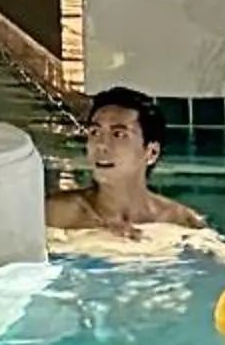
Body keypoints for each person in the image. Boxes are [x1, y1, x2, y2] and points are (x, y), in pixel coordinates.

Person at [44, 88, 204, 237]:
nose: (101, 145)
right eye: (95, 132)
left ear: (151, 152)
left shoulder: (181, 223)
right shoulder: (55, 215)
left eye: (118, 134)